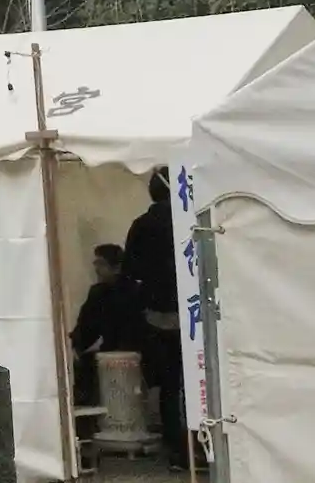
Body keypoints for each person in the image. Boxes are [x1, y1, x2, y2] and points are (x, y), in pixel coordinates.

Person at [124, 168, 189, 472]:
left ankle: (177, 450)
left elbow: (130, 272)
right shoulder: (189, 221)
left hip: (156, 317)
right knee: (196, 382)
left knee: (169, 385)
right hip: (193, 313)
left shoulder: (141, 225)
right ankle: (202, 446)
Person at [70, 243, 144, 408]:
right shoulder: (134, 289)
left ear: (116, 266)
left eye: (100, 263)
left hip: (121, 351)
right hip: (128, 351)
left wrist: (77, 344)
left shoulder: (104, 292)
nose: (96, 269)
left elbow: (88, 326)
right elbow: (87, 326)